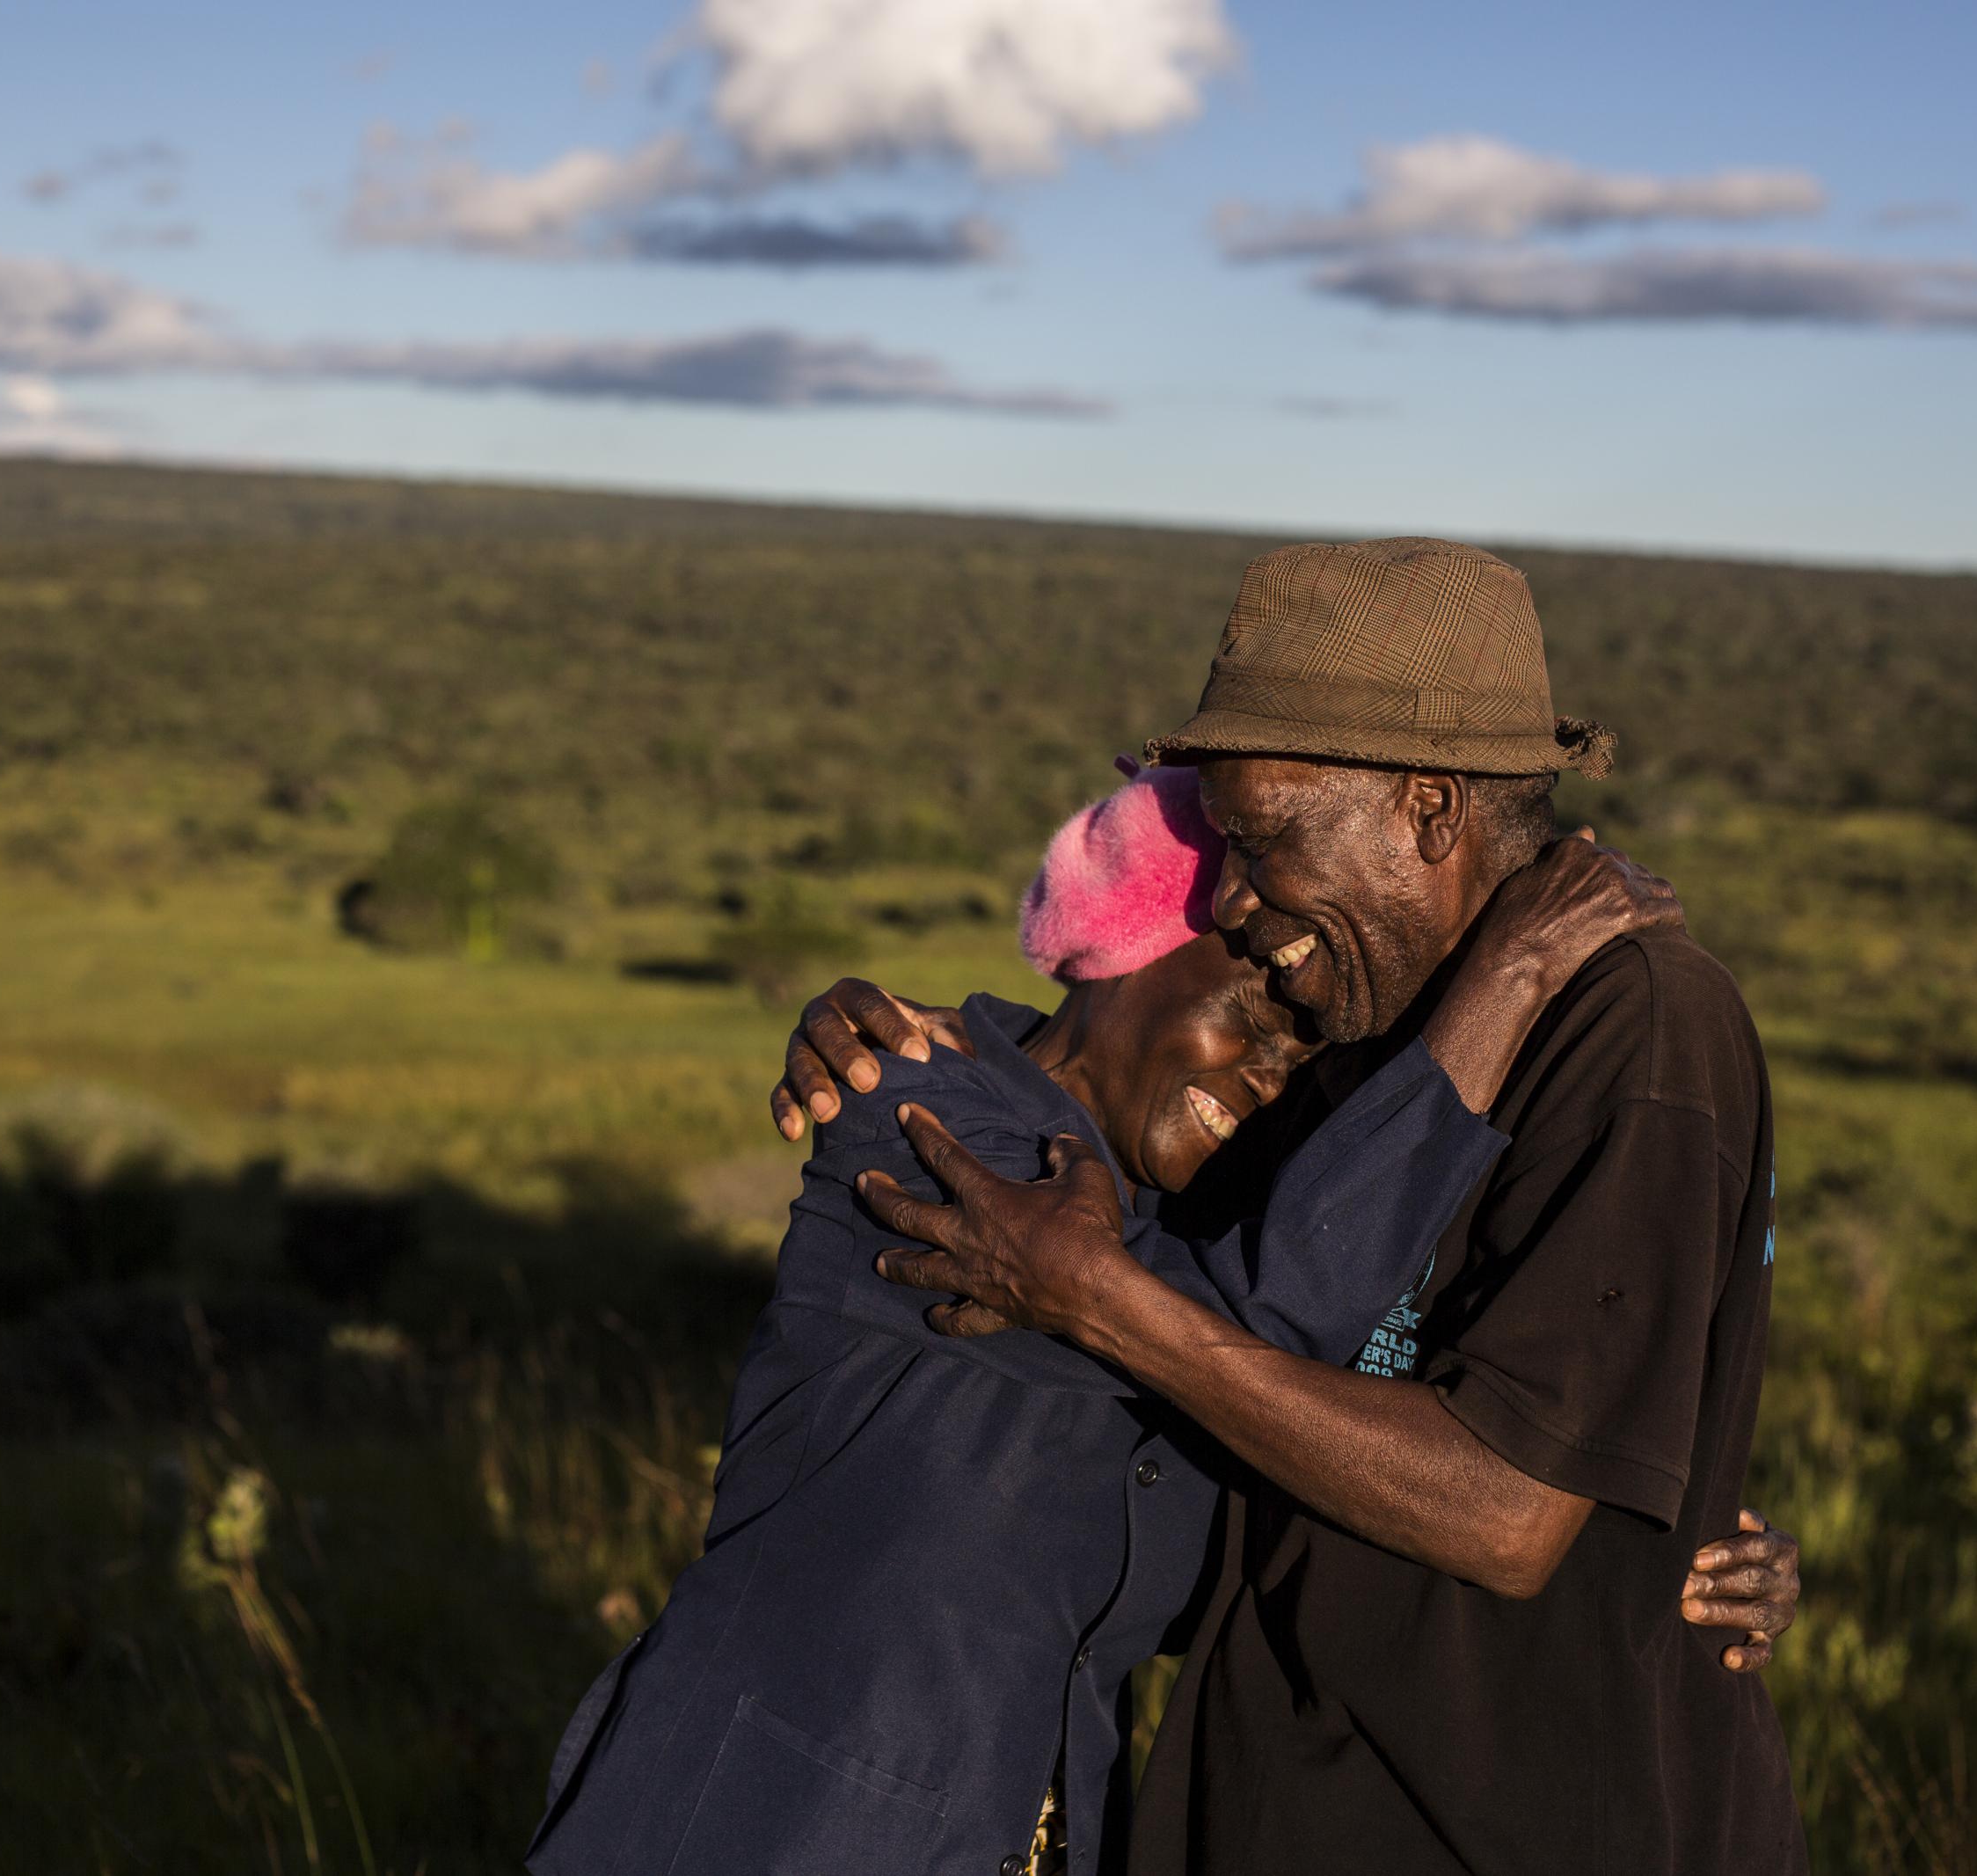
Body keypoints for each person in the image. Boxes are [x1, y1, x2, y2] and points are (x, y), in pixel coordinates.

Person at [526, 757, 1798, 1876]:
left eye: (1297, 1058)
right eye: (1252, 1009)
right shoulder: (922, 1125)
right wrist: (1505, 980)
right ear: (1114, 954)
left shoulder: (1151, 1249)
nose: (1265, 1070)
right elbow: (1271, 1313)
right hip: (768, 1825)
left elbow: (1269, 1474)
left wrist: (1638, 1552)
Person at [820, 537, 1808, 1872]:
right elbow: (1219, 1331)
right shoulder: (1357, 1030)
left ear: (1431, 808)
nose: (1231, 898)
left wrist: (1103, 1302)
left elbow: (1508, 1510)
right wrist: (893, 1043)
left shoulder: (1637, 1029)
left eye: (1267, 839)